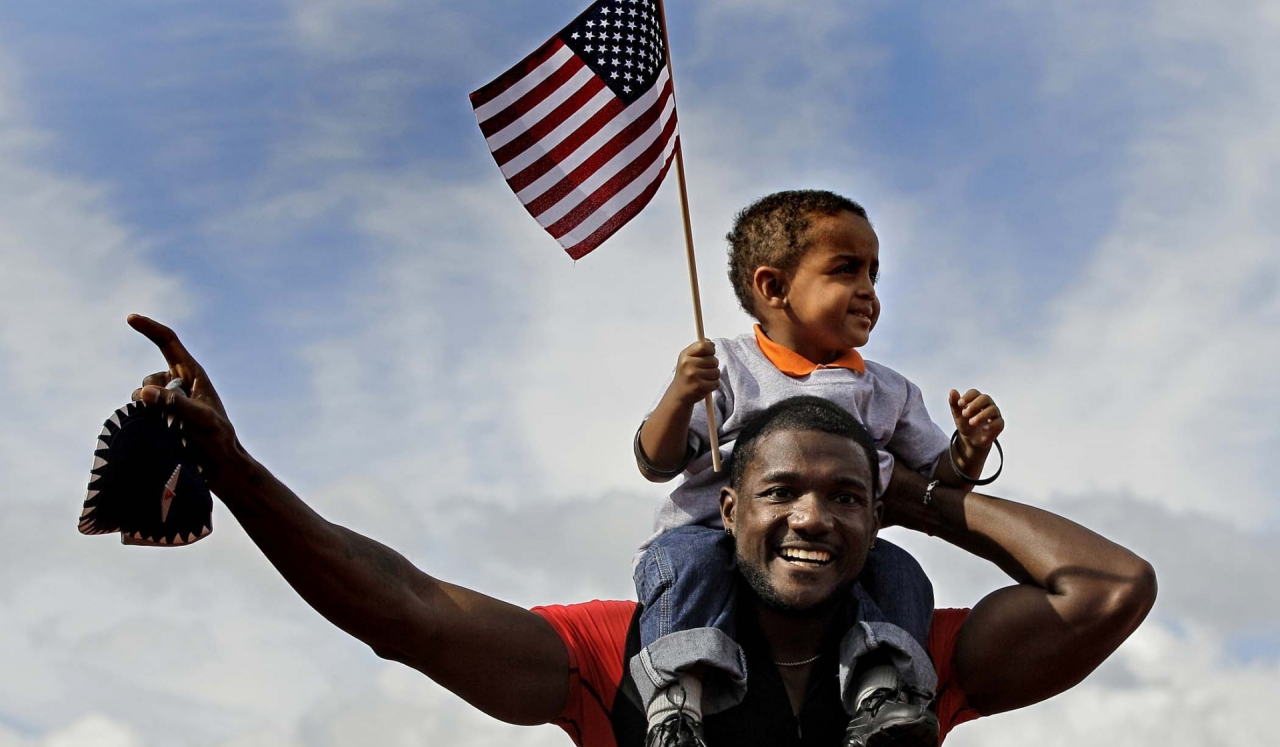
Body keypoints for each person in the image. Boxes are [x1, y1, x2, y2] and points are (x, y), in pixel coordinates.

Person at [124, 315, 1156, 747]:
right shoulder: (625, 657)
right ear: (729, 508)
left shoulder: (911, 661)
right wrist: (238, 474)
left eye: (842, 499)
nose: (812, 516)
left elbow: (1107, 589)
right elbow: (405, 612)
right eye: (783, 492)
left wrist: (916, 497)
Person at [633, 190, 1002, 746]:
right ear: (773, 287)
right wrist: (681, 395)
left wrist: (968, 449)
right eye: (846, 270)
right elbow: (656, 462)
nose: (868, 292)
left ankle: (884, 692)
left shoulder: (887, 391)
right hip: (710, 537)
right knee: (683, 567)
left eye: (874, 275)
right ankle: (677, 703)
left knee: (898, 571)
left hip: (831, 552)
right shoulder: (729, 367)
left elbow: (936, 481)